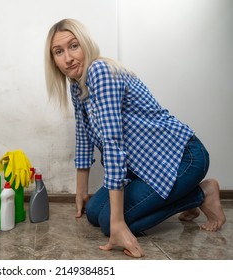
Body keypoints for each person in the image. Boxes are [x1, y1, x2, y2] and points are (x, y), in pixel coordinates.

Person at [44, 18, 226, 258]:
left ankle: (202, 193)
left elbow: (112, 144)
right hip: (146, 167)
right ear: (53, 61)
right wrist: (80, 193)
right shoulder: (77, 86)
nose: (68, 58)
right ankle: (186, 198)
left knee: (110, 223)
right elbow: (83, 137)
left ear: (85, 44)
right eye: (59, 52)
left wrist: (118, 223)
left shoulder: (100, 72)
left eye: (73, 46)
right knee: (94, 213)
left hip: (183, 158)